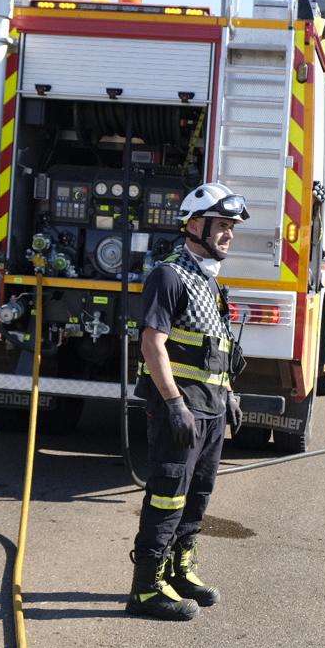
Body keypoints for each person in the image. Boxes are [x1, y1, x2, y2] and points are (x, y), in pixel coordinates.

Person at [126, 182, 249, 621]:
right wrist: (174, 403)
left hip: (212, 409)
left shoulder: (209, 282)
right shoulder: (169, 275)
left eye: (232, 228)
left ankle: (179, 570)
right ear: (194, 225)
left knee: (197, 496)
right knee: (167, 497)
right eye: (222, 226)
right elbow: (152, 345)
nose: (228, 235)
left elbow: (217, 347)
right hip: (181, 408)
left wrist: (229, 393)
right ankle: (145, 589)